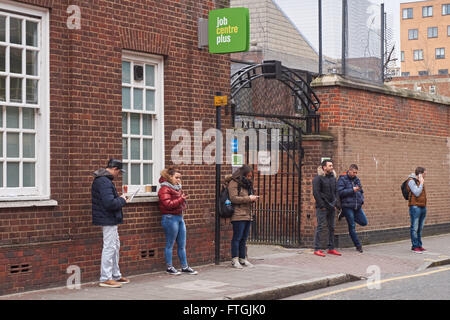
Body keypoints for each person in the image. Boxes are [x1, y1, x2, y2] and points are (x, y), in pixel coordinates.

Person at [91, 158, 130, 288]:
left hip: (108, 218)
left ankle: (115, 275)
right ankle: (106, 277)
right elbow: (110, 203)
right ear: (115, 169)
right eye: (118, 172)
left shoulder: (103, 180)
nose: (118, 175)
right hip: (108, 218)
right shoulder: (104, 182)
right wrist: (122, 200)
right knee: (110, 247)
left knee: (115, 246)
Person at [158, 167, 197, 275]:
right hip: (170, 218)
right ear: (169, 177)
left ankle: (184, 266)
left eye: (180, 178)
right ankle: (169, 267)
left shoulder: (177, 188)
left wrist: (182, 201)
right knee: (170, 244)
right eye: (176, 177)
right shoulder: (164, 189)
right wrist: (181, 199)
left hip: (179, 217)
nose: (179, 180)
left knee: (182, 244)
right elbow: (168, 204)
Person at [225, 165, 259, 269]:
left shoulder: (247, 184)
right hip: (238, 214)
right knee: (237, 237)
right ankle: (234, 259)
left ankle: (242, 258)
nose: (249, 178)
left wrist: (252, 197)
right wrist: (249, 198)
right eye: (248, 176)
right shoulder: (234, 183)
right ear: (243, 174)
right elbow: (234, 198)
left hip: (247, 214)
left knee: (244, 238)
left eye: (250, 176)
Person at [312, 159, 342, 257]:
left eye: (332, 165)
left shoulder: (333, 178)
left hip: (331, 207)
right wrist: (322, 206)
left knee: (331, 227)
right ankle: (317, 249)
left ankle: (331, 248)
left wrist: (336, 204)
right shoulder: (318, 178)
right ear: (324, 167)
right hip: (322, 207)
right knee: (320, 227)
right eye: (330, 166)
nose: (332, 167)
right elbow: (316, 193)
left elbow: (336, 192)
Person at [337, 164, 368, 253]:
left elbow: (361, 190)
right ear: (349, 170)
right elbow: (340, 192)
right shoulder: (342, 179)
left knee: (364, 222)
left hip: (357, 206)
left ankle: (344, 214)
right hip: (347, 206)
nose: (355, 174)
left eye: (356, 172)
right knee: (352, 226)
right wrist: (352, 190)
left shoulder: (357, 179)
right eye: (353, 172)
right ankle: (358, 245)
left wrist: (361, 200)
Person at [407, 167, 427, 254]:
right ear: (419, 174)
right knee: (414, 228)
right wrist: (421, 183)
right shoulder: (411, 181)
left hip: (422, 206)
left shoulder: (420, 181)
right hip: (415, 207)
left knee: (420, 228)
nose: (425, 175)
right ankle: (415, 246)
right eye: (424, 174)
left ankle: (419, 245)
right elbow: (417, 192)